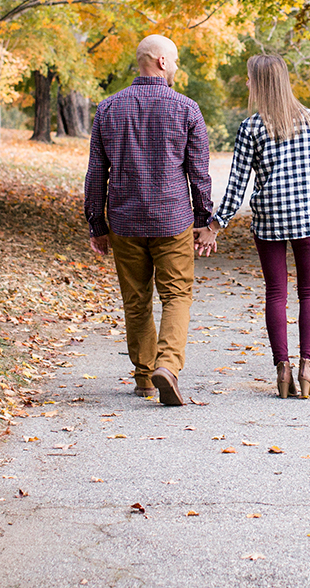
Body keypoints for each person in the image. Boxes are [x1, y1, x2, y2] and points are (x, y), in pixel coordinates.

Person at [84, 34, 216, 406]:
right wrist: (205, 221)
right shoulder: (187, 109)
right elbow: (199, 174)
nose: (175, 67)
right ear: (160, 61)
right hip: (172, 219)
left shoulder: (108, 109)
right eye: (173, 60)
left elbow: (97, 173)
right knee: (176, 295)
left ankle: (144, 377)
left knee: (136, 299)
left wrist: (97, 223)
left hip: (125, 222)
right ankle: (168, 366)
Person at [202, 54, 310, 399]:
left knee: (276, 293)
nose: (246, 84)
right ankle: (307, 367)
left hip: (270, 219)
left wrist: (216, 224)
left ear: (260, 84)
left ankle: (282, 370)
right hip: (308, 218)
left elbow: (237, 185)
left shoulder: (250, 128)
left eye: (249, 79)